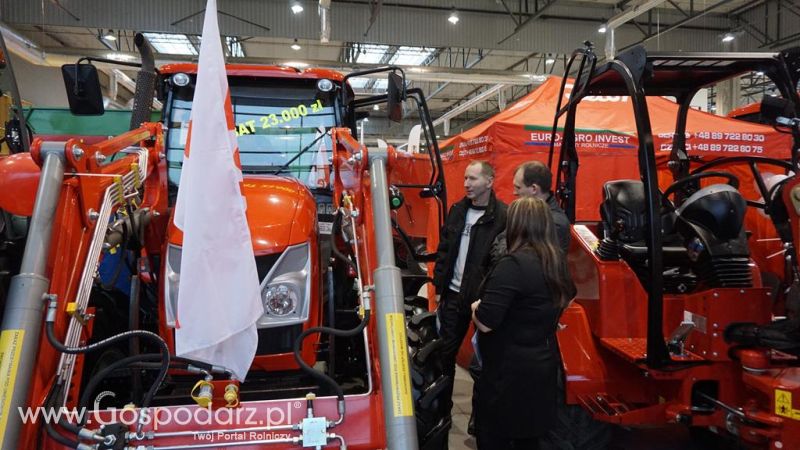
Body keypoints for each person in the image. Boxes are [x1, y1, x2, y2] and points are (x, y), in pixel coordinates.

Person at [468, 160, 570, 436]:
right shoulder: (555, 262)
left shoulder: (514, 265)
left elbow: (487, 322)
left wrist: (477, 306)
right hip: (541, 367)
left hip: (508, 372)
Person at [432, 160, 507, 422]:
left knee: (485, 362)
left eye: (473, 179)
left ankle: (481, 418)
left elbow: (501, 263)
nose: (466, 184)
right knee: (444, 356)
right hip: (453, 296)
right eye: (465, 178)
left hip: (483, 302)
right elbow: (444, 252)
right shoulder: (457, 211)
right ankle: (443, 413)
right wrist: (438, 288)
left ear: (489, 181)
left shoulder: (502, 217)